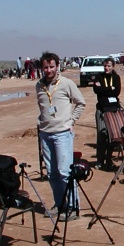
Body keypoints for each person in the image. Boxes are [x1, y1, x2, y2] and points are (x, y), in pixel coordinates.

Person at [35, 51, 86, 221]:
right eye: (45, 67)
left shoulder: (66, 83)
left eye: (51, 66)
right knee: (52, 173)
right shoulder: (39, 86)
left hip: (62, 134)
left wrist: (71, 121)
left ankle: (73, 206)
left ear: (57, 66)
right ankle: (60, 204)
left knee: (65, 172)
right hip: (45, 134)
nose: (48, 70)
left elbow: (80, 102)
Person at [93, 57, 122, 169]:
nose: (107, 68)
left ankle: (109, 160)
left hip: (113, 110)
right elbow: (96, 90)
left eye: (109, 66)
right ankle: (100, 161)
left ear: (113, 66)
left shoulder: (116, 77)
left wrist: (104, 88)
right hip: (101, 110)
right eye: (105, 66)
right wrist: (110, 88)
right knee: (102, 135)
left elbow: (117, 91)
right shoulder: (99, 76)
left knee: (112, 135)